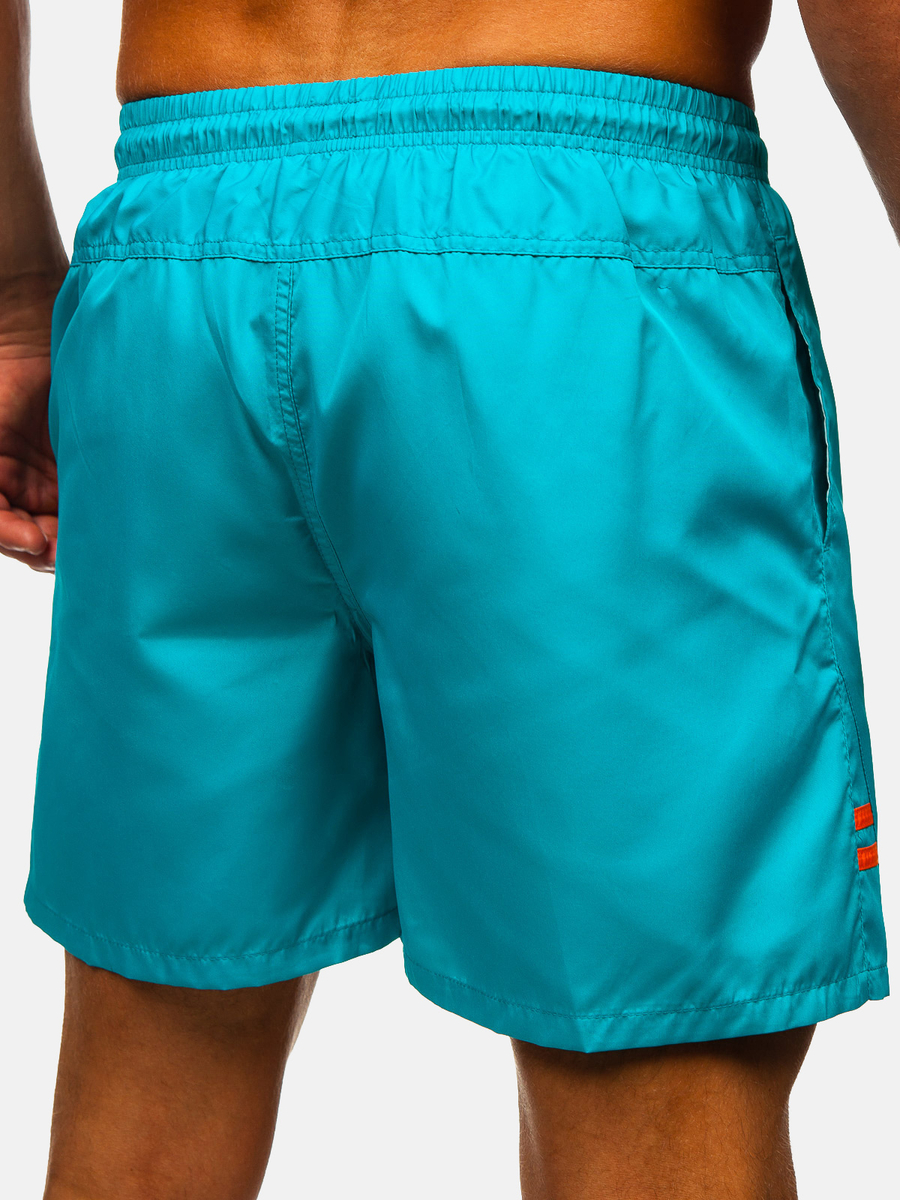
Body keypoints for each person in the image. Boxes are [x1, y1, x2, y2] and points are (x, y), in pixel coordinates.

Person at [0, 1, 891, 1196]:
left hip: (176, 251)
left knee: (153, 1052)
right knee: (647, 1054)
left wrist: (14, 292)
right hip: (569, 251)